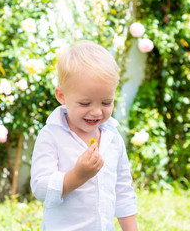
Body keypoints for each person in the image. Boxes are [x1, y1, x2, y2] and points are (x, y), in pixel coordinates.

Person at [30, 40, 138, 231]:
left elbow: (122, 191)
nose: (96, 112)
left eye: (106, 102)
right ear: (62, 96)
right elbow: (40, 188)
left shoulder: (112, 138)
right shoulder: (51, 136)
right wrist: (78, 175)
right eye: (85, 103)